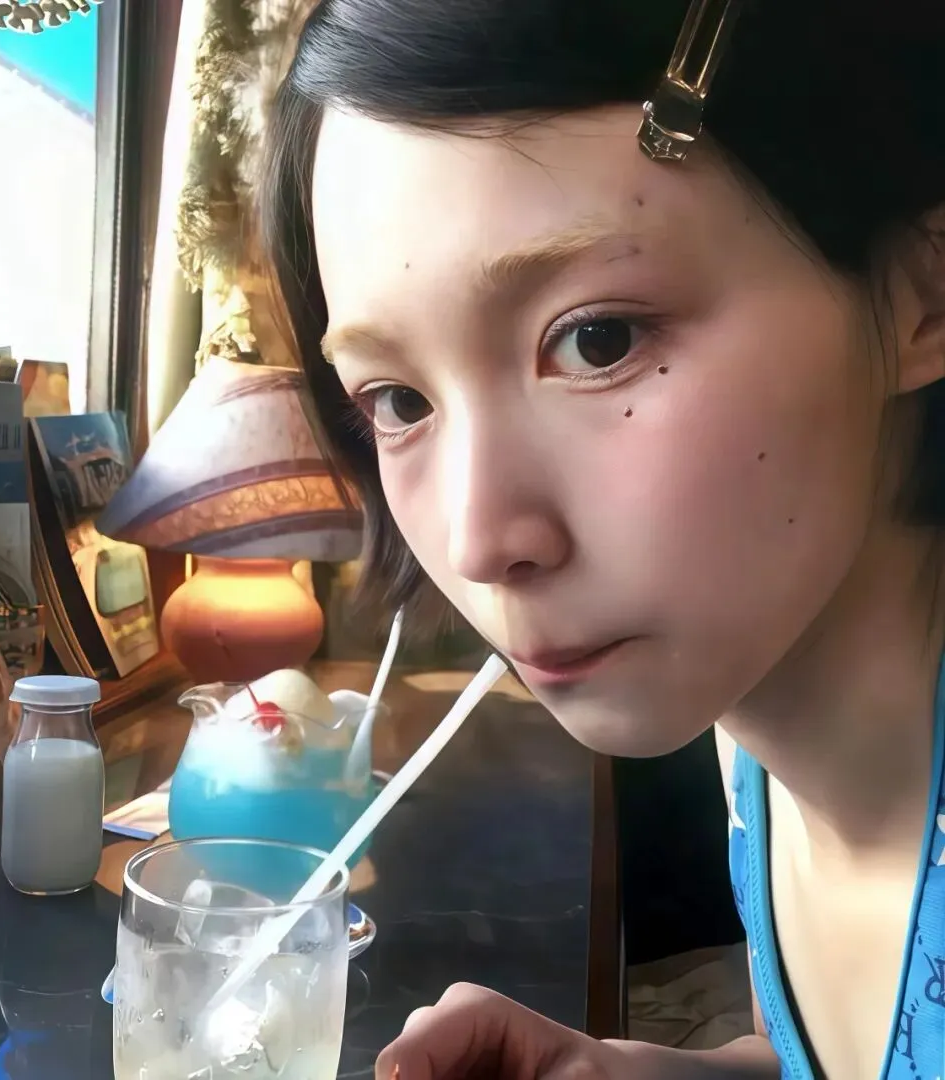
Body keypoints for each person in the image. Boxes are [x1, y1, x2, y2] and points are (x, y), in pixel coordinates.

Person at [258, 0, 945, 1076]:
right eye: (398, 401)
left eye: (597, 339)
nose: (479, 541)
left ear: (923, 290)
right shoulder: (749, 728)